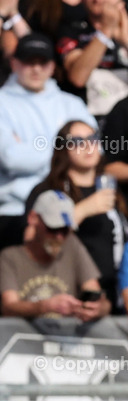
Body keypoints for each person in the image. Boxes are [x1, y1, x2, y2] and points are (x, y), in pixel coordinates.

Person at [0, 33, 95, 263]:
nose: (35, 69)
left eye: (42, 62)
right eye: (28, 62)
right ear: (14, 63)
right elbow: (10, 159)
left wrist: (29, 148)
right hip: (15, 210)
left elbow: (93, 151)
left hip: (70, 205)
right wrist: (64, 149)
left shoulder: (72, 104)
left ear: (52, 67)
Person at [25, 119, 128, 310]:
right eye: (78, 142)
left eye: (93, 138)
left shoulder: (112, 189)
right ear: (63, 149)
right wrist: (82, 210)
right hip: (65, 294)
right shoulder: (48, 190)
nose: (88, 146)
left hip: (113, 295)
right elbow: (31, 240)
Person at [0, 190, 111, 319]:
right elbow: (7, 307)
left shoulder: (72, 245)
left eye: (65, 230)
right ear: (33, 218)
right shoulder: (10, 257)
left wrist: (97, 309)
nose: (59, 237)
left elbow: (100, 299)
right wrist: (44, 306)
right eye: (53, 228)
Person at [56, 0, 128, 118]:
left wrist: (126, 40)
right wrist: (105, 32)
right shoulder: (71, 27)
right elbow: (78, 78)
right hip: (95, 117)